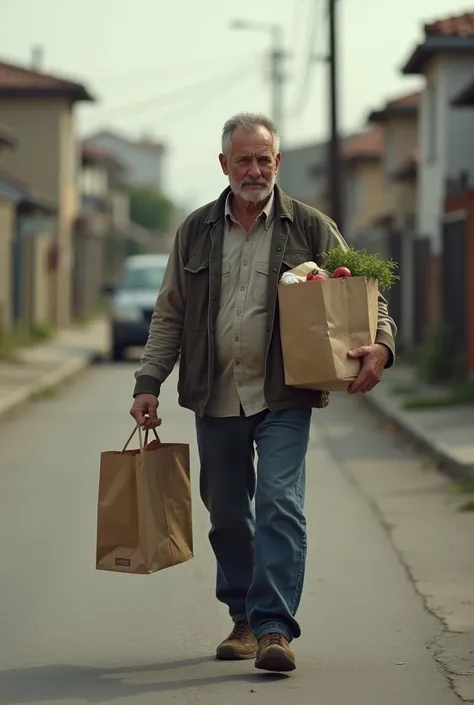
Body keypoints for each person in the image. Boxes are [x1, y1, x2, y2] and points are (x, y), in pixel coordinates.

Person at [130, 112, 396, 673]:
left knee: (279, 501)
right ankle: (243, 619)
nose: (255, 169)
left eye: (264, 158)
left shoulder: (310, 227)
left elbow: (367, 296)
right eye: (244, 159)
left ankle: (274, 627)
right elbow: (170, 313)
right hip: (215, 393)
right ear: (224, 165)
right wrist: (148, 381)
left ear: (277, 162)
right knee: (226, 512)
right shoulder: (196, 230)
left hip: (285, 392)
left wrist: (380, 345)